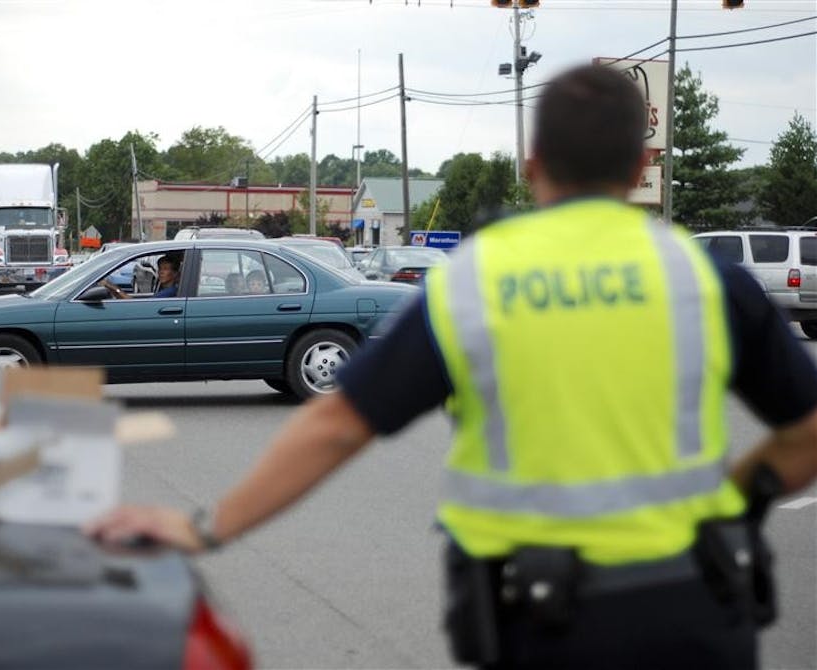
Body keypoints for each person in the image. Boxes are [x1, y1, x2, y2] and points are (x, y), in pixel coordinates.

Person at [86, 65, 817, 669]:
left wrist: (205, 529)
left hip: (547, 627)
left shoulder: (481, 280)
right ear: (640, 165)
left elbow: (338, 425)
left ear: (533, 168)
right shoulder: (705, 278)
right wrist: (739, 492)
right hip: (699, 616)